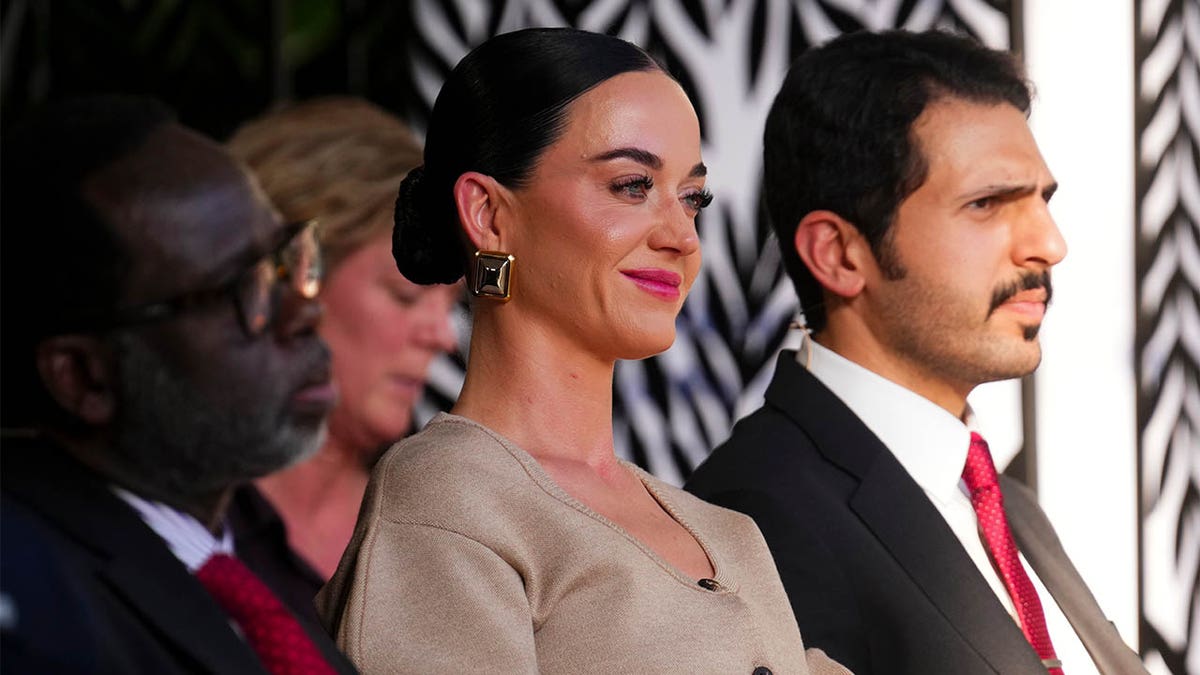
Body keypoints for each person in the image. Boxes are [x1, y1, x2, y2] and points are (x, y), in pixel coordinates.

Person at [317, 27, 848, 674]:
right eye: (631, 185)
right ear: (487, 213)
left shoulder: (731, 535)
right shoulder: (448, 501)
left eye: (692, 198)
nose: (681, 235)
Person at [685, 29, 1147, 675]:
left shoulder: (1010, 506)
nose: (1049, 242)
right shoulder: (751, 516)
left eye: (1042, 200)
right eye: (987, 204)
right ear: (840, 254)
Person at [0, 95, 355, 674]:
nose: (302, 311)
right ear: (85, 376)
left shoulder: (244, 562)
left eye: (284, 260)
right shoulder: (34, 600)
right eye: (241, 290)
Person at [225, 97, 459, 620]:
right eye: (405, 293)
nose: (444, 336)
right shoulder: (171, 511)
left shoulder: (429, 532)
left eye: (452, 303)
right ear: (283, 280)